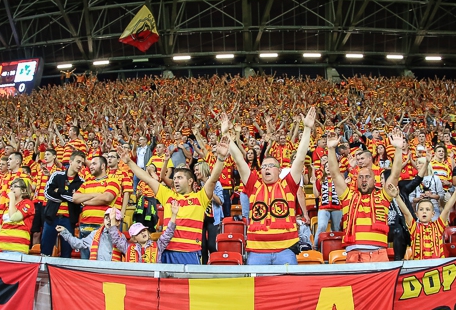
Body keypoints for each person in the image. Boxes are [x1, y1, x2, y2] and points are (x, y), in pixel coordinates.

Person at [227, 107, 316, 265]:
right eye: (264, 166)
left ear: (280, 170)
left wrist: (308, 128)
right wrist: (227, 135)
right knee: (255, 282)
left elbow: (300, 158)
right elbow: (239, 161)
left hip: (285, 249)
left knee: (288, 282)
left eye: (270, 166)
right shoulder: (254, 184)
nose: (266, 168)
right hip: (257, 251)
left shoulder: (288, 184)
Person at [121, 139, 227, 265]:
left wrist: (221, 158)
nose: (175, 180)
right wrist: (129, 162)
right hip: (167, 251)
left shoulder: (200, 197)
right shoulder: (167, 195)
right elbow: (147, 179)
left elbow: (213, 179)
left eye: (180, 178)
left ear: (190, 181)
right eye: (175, 178)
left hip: (189, 252)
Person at [324, 128, 405, 263]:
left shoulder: (383, 197)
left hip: (379, 254)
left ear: (375, 180)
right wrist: (331, 149)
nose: (364, 179)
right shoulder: (348, 196)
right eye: (360, 177)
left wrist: (398, 149)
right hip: (354, 255)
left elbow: (395, 174)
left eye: (368, 176)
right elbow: (335, 174)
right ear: (356, 180)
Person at [395, 176, 456, 260]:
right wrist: (397, 197)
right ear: (417, 214)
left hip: (438, 265)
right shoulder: (414, 227)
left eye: (427, 209)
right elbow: (406, 213)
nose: (424, 212)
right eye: (421, 209)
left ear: (433, 214)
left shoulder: (438, 226)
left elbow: (447, 208)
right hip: (419, 266)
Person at [66, 154, 120, 259]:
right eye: (90, 164)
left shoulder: (113, 181)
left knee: (101, 261)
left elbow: (107, 197)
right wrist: (95, 195)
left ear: (103, 166)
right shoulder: (86, 183)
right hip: (84, 227)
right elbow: (75, 198)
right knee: (85, 263)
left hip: (102, 228)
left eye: (94, 164)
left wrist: (85, 201)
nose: (90, 166)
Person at [42, 151, 85, 257]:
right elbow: (47, 193)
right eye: (78, 162)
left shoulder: (82, 182)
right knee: (45, 251)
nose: (80, 165)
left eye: (82, 163)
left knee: (66, 253)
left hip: (68, 220)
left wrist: (60, 191)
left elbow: (78, 200)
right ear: (70, 161)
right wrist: (70, 196)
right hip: (52, 217)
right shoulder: (56, 175)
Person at [107, 203, 180, 263]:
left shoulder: (158, 246)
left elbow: (168, 234)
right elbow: (116, 239)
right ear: (134, 239)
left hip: (152, 276)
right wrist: (112, 220)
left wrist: (174, 215)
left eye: (144, 230)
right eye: (139, 232)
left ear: (148, 232)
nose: (142, 233)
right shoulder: (127, 248)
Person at [56, 208, 122, 262]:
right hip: (96, 270)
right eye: (107, 218)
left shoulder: (121, 238)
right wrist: (64, 232)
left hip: (112, 271)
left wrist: (113, 228)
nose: (109, 221)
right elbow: (77, 244)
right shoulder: (95, 234)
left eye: (112, 219)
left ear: (118, 222)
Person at [0, 178, 35, 253]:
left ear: (23, 190)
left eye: (15, 186)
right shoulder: (8, 208)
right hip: (1, 249)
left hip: (17, 250)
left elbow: (13, 217)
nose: (12, 188)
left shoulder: (28, 203)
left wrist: (12, 199)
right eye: (11, 186)